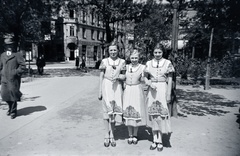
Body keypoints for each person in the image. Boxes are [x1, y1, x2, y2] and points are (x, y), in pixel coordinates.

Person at [144, 43, 175, 151]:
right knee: (153, 114)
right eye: (155, 52)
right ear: (153, 52)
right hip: (152, 90)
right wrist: (148, 83)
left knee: (161, 115)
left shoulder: (167, 63)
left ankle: (160, 139)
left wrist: (168, 94)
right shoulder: (149, 63)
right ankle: (154, 138)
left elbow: (170, 79)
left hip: (162, 89)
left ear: (163, 53)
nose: (157, 54)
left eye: (159, 52)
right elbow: (144, 77)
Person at [98, 40, 126, 147]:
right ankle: (106, 134)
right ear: (108, 51)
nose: (113, 52)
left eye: (115, 50)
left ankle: (113, 135)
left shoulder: (122, 62)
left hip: (117, 88)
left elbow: (124, 76)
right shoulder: (104, 61)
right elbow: (101, 76)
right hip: (106, 86)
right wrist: (100, 91)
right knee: (106, 112)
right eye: (111, 50)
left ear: (118, 51)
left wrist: (119, 77)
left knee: (113, 113)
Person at [122, 49, 147, 145]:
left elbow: (145, 78)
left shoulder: (142, 67)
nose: (134, 59)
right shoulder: (126, 67)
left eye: (136, 57)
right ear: (129, 58)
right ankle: (130, 135)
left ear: (139, 58)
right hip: (128, 90)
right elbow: (123, 76)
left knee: (136, 112)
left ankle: (135, 134)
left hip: (137, 90)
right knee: (128, 113)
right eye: (132, 57)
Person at [0, 34, 25, 119]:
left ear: (13, 45)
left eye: (10, 45)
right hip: (4, 79)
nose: (9, 47)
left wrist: (16, 72)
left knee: (13, 94)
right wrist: (1, 73)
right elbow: (0, 66)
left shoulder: (17, 55)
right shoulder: (2, 55)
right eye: (7, 45)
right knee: (4, 94)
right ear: (5, 46)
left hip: (13, 79)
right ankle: (10, 107)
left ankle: (13, 111)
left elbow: (23, 66)